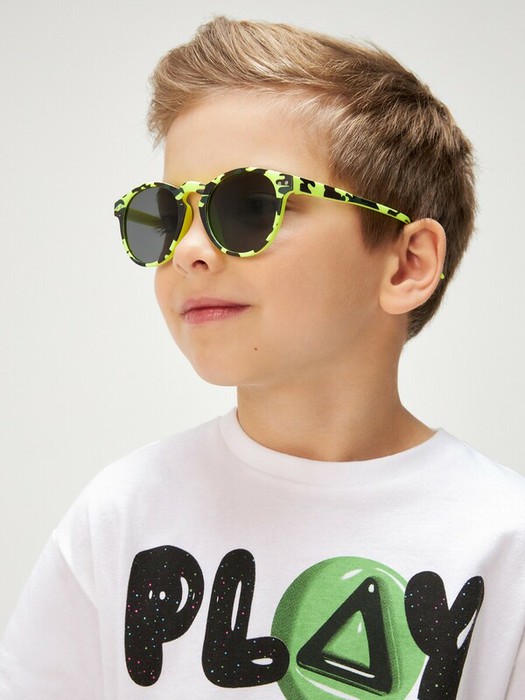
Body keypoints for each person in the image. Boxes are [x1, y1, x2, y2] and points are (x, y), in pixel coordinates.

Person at [1, 15, 523, 700]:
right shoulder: (121, 516)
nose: (189, 250)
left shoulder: (504, 539)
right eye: (166, 216)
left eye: (247, 207)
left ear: (406, 264)